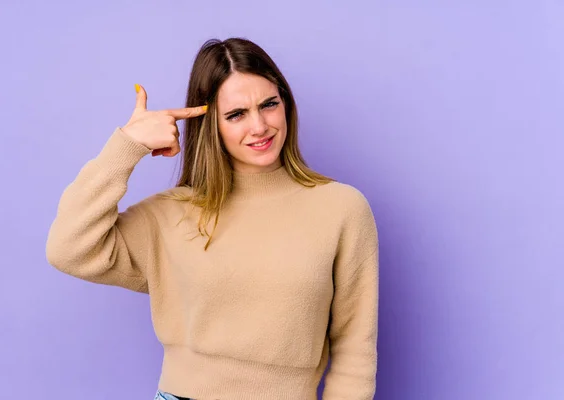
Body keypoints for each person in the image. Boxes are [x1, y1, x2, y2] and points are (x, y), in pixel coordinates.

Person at [46, 37, 379, 400]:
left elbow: (354, 349)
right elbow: (69, 249)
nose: (259, 126)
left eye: (269, 105)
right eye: (236, 114)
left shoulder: (341, 208)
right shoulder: (171, 214)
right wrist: (127, 145)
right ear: (210, 124)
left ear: (287, 106)